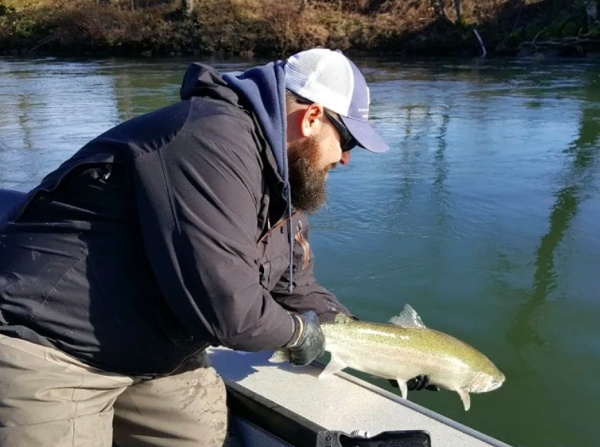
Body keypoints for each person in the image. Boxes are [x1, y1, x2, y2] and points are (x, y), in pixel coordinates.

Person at [0, 48, 430, 447]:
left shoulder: (282, 180)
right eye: (349, 141)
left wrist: (378, 349)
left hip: (155, 353)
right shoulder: (209, 140)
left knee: (202, 434)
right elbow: (227, 305)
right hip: (52, 348)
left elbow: (293, 284)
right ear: (313, 117)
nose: (347, 159)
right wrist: (300, 333)